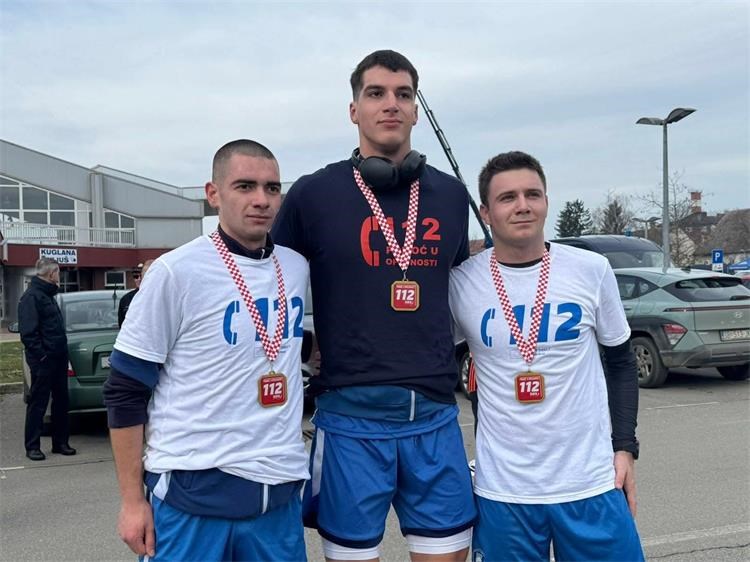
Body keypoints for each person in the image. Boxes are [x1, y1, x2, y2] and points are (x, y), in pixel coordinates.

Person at [272, 49, 476, 562]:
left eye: (403, 94)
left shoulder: (451, 196)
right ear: (354, 110)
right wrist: (305, 346)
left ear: (415, 110)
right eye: (376, 93)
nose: (391, 104)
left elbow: (459, 287)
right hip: (349, 420)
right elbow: (269, 285)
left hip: (433, 415)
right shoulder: (313, 195)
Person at [102, 139, 310, 561]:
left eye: (272, 188)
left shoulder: (295, 266)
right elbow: (125, 390)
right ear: (213, 194)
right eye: (245, 186)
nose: (261, 199)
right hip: (192, 497)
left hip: (278, 497)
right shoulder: (175, 271)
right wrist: (132, 502)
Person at [448, 151, 644, 562]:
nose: (522, 206)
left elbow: (622, 363)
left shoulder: (591, 269)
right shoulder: (462, 282)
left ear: (546, 201)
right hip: (504, 491)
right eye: (507, 198)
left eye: (532, 194)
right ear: (485, 212)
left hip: (590, 482)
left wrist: (625, 447)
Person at [18, 257, 76, 461]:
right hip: (43, 361)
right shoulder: (31, 297)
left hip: (59, 358)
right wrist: (42, 357)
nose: (59, 276)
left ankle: (60, 443)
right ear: (52, 274)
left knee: (61, 401)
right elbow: (28, 334)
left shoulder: (49, 295)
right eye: (58, 272)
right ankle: (32, 446)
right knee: (38, 403)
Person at [117, 259, 154, 327]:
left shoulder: (159, 297)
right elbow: (122, 325)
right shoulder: (125, 299)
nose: (139, 279)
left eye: (142, 276)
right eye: (136, 276)